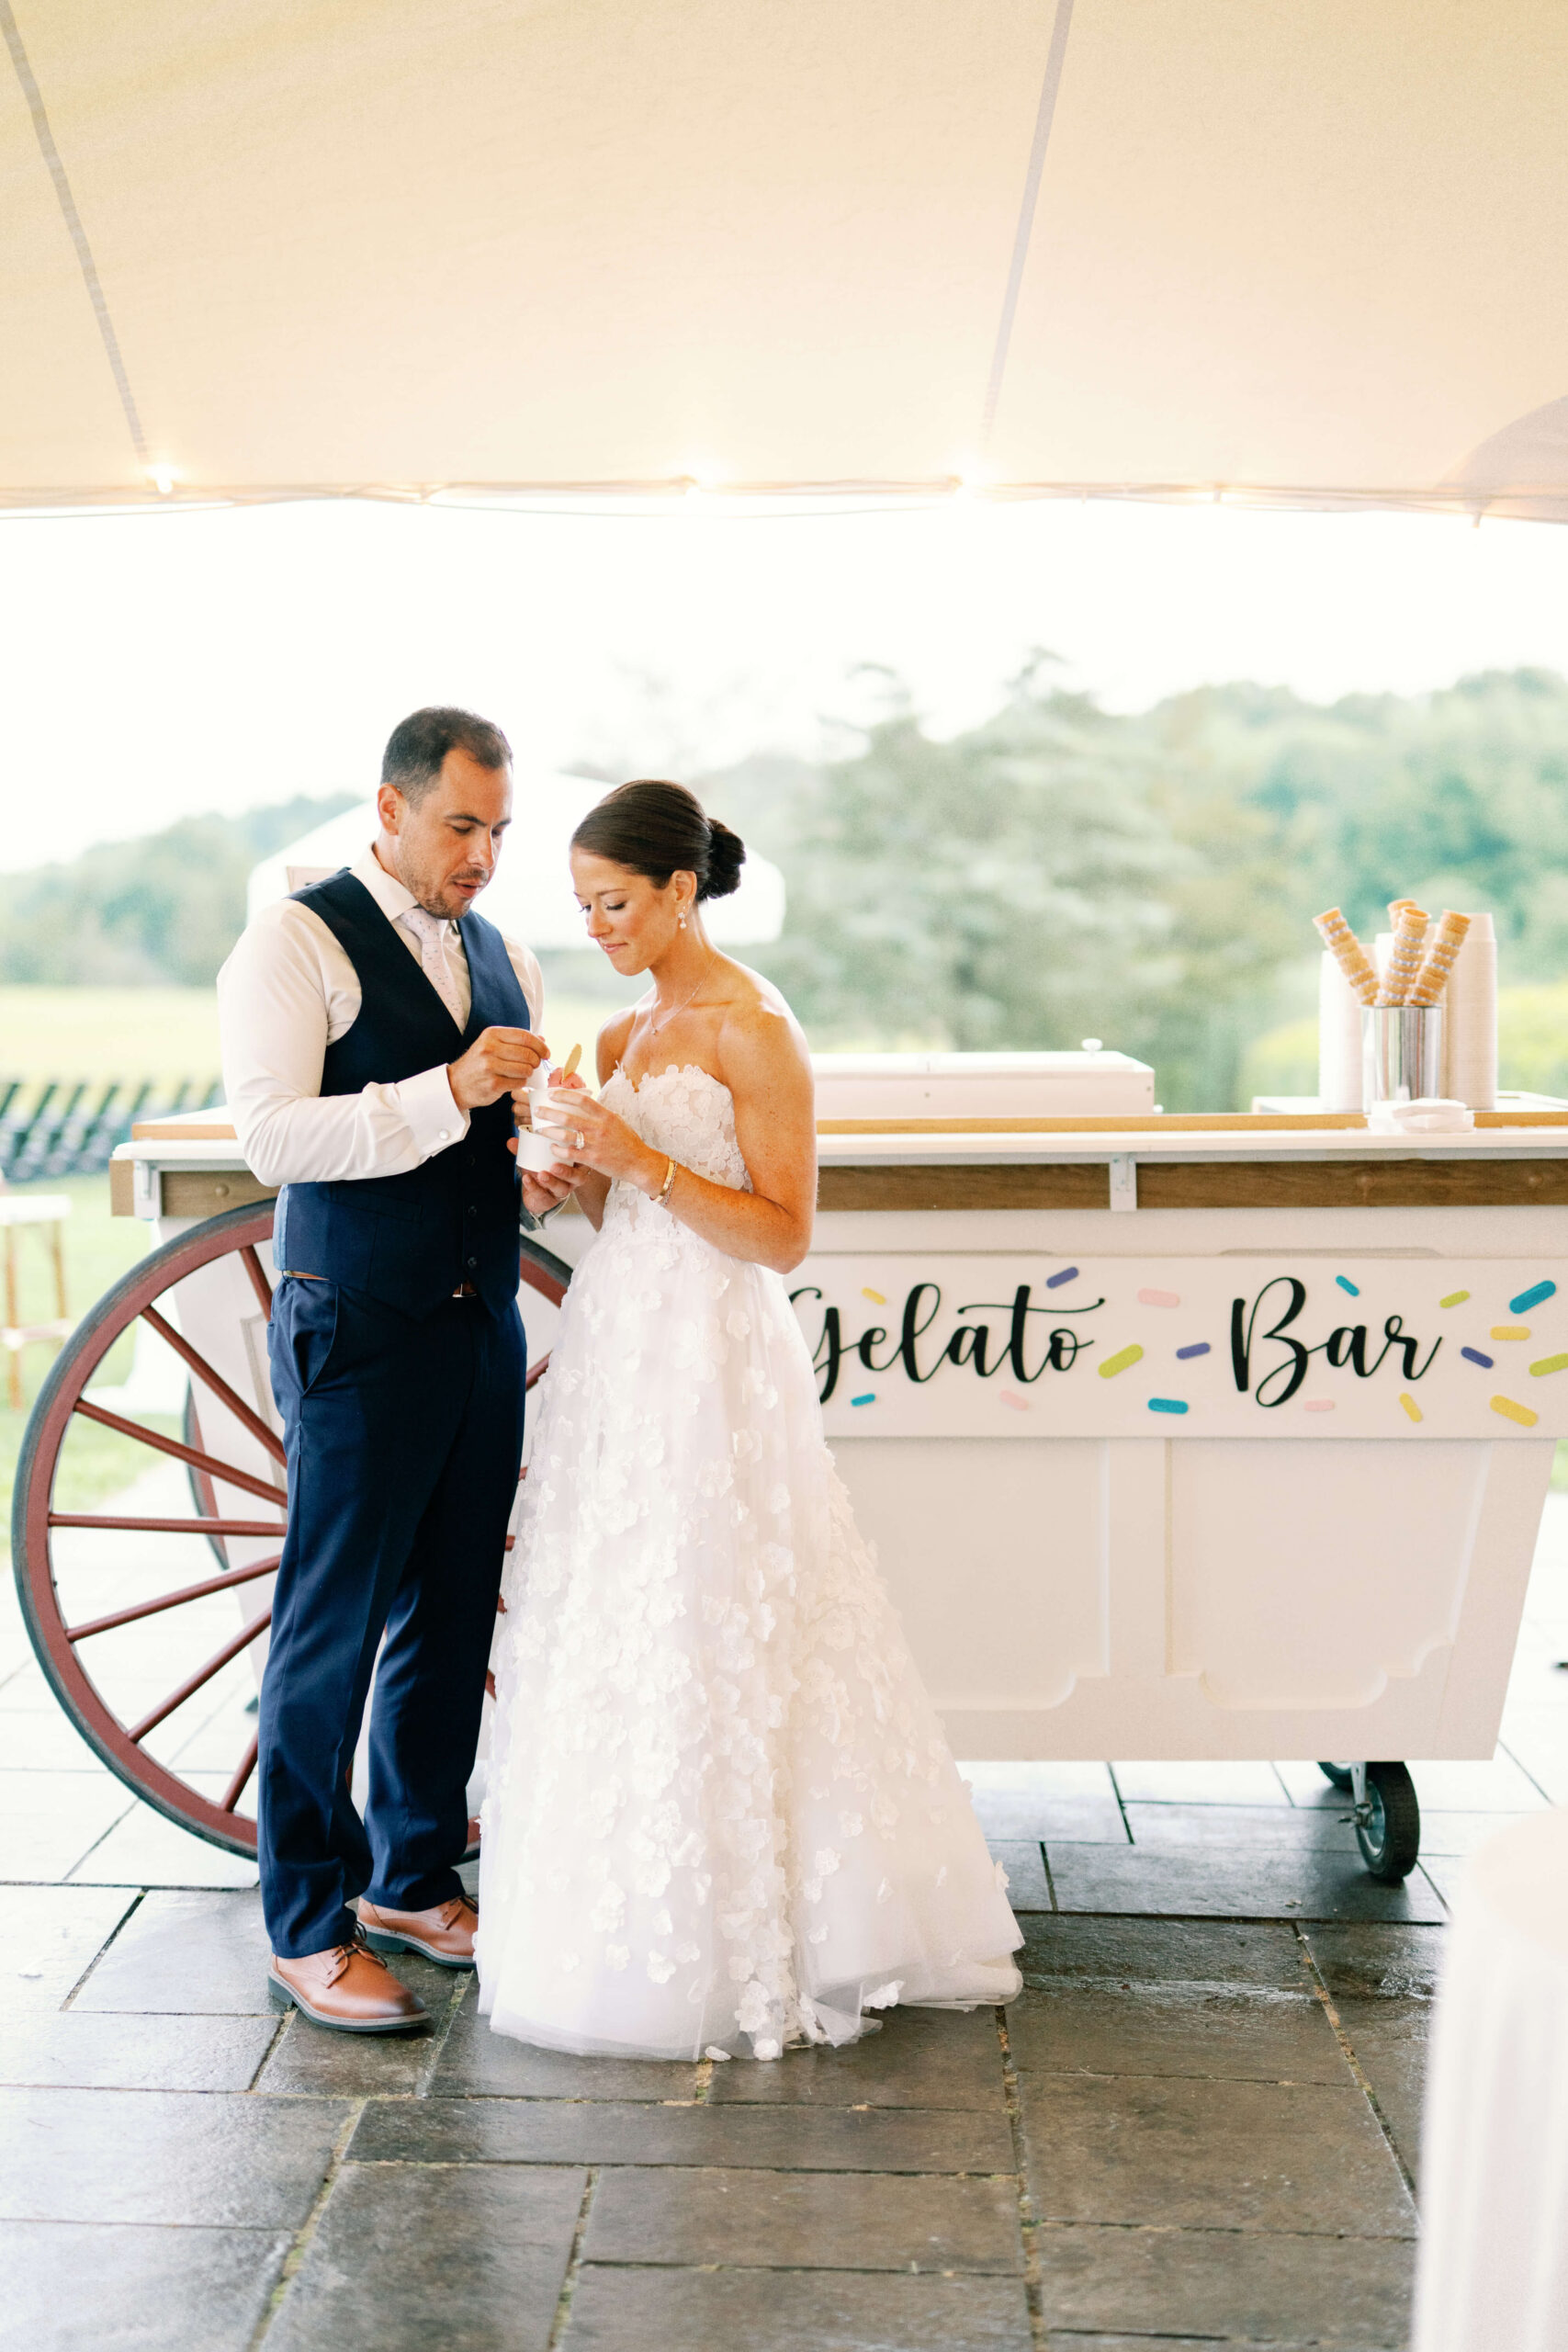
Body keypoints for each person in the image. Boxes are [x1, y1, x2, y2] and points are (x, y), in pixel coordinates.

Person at [477, 778, 1021, 2060]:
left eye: (615, 903)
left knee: (723, 1605)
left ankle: (781, 1925)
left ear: (680, 890)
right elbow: (621, 1216)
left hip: (720, 1361)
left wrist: (636, 1158)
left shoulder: (753, 1027)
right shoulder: (616, 1042)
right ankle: (609, 1915)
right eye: (583, 908)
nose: (598, 928)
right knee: (619, 1603)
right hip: (620, 1351)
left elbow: (780, 1235)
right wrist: (565, 1179)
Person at [218, 707, 578, 2033]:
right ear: (390, 808)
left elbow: (499, 1137)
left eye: (498, 830)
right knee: (330, 1627)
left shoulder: (510, 957)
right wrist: (452, 1089)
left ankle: (412, 1878)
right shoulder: (293, 940)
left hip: (483, 1318)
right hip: (357, 1320)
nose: (482, 856)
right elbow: (270, 1139)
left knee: (453, 1601)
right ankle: (306, 1925)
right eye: (460, 826)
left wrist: (546, 1153)